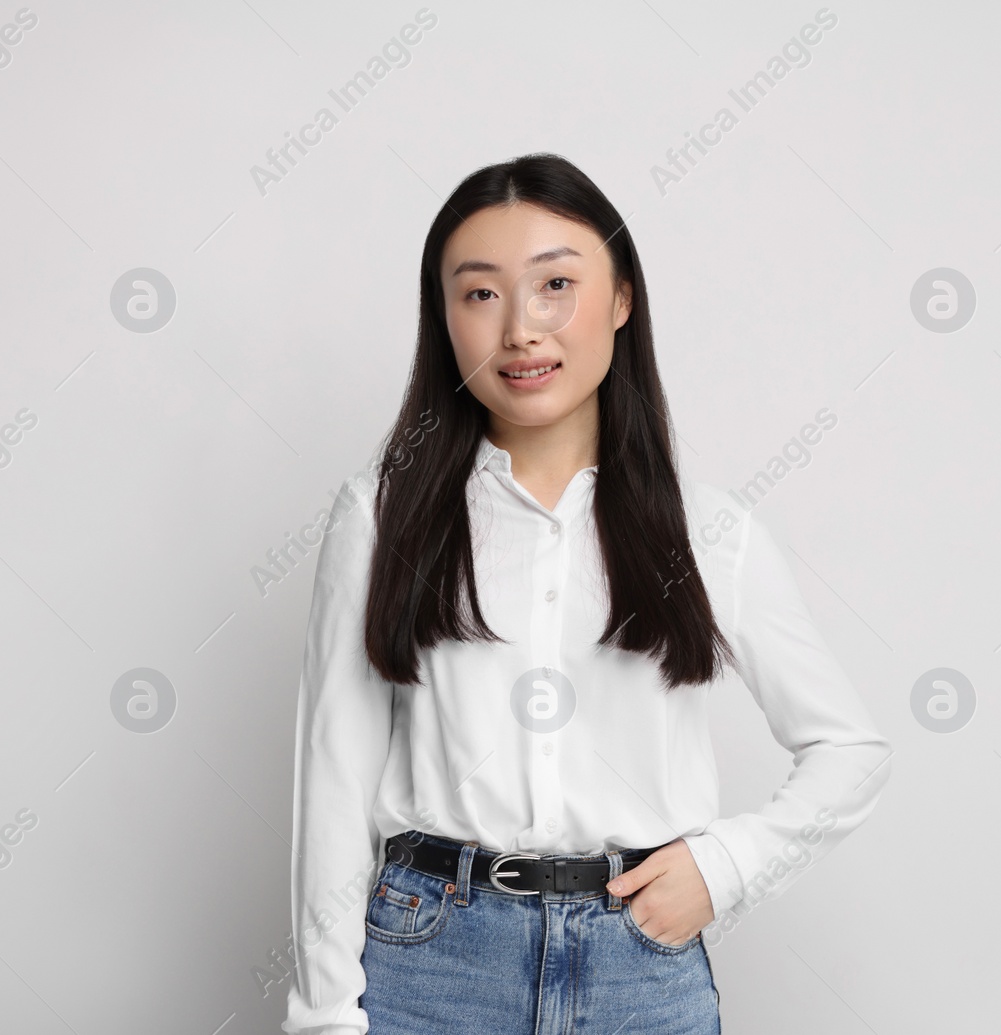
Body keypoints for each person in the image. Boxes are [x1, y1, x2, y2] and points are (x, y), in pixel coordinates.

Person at [282, 153, 892, 1034]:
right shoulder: (381, 517)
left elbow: (851, 747)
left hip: (640, 974)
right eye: (480, 294)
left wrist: (725, 867)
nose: (522, 328)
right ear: (444, 318)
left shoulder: (707, 531)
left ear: (621, 299)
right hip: (429, 967)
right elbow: (331, 788)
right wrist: (324, 1020)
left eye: (556, 284)